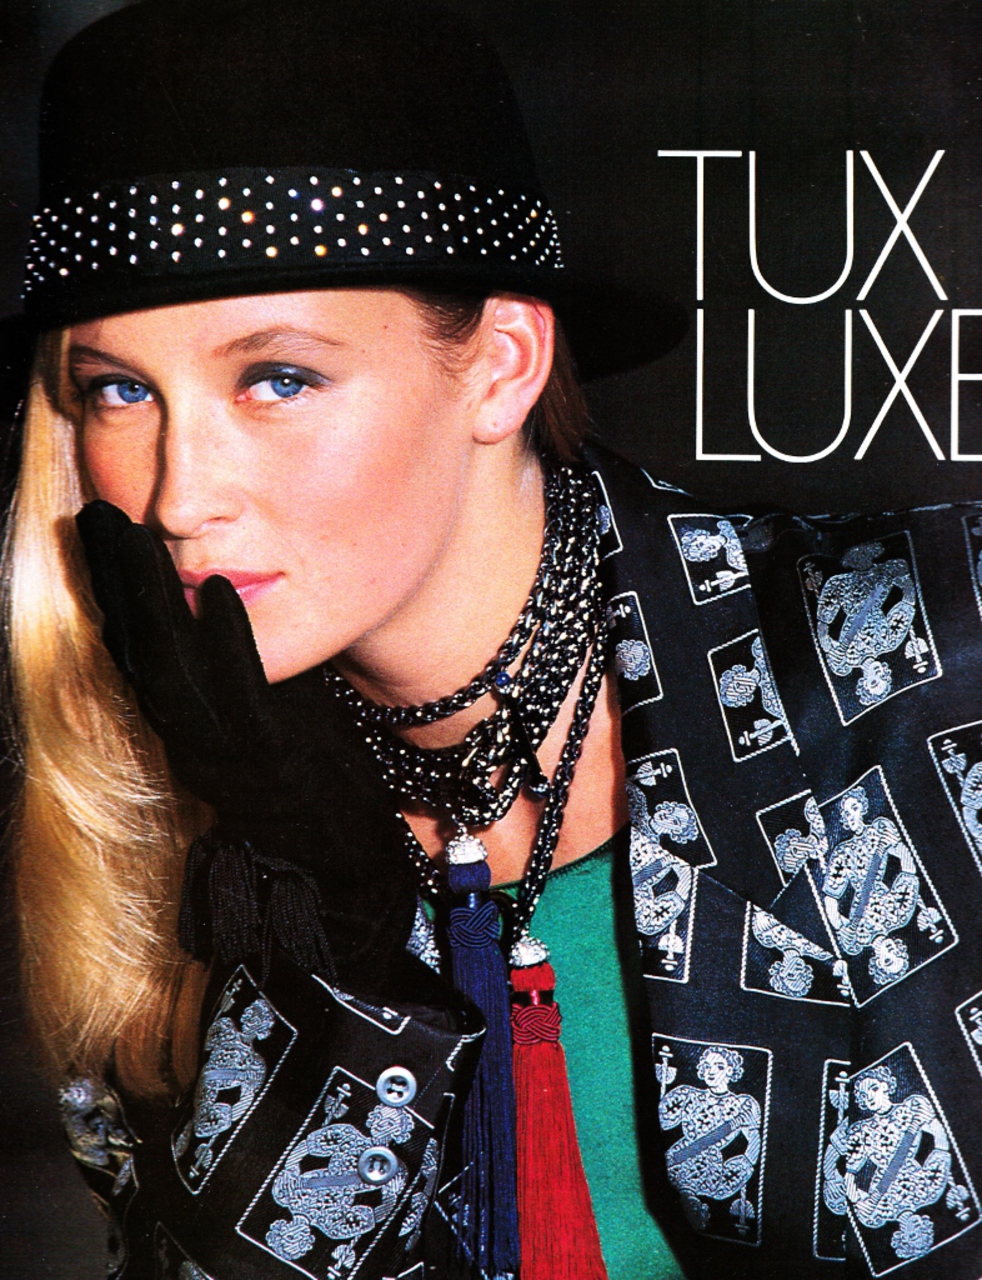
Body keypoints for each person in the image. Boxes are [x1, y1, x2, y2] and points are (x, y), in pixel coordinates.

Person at [5, 2, 982, 1279]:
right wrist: (324, 937)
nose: (180, 494)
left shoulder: (930, 655)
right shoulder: (147, 841)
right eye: (120, 389)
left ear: (503, 364)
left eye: (278, 377)